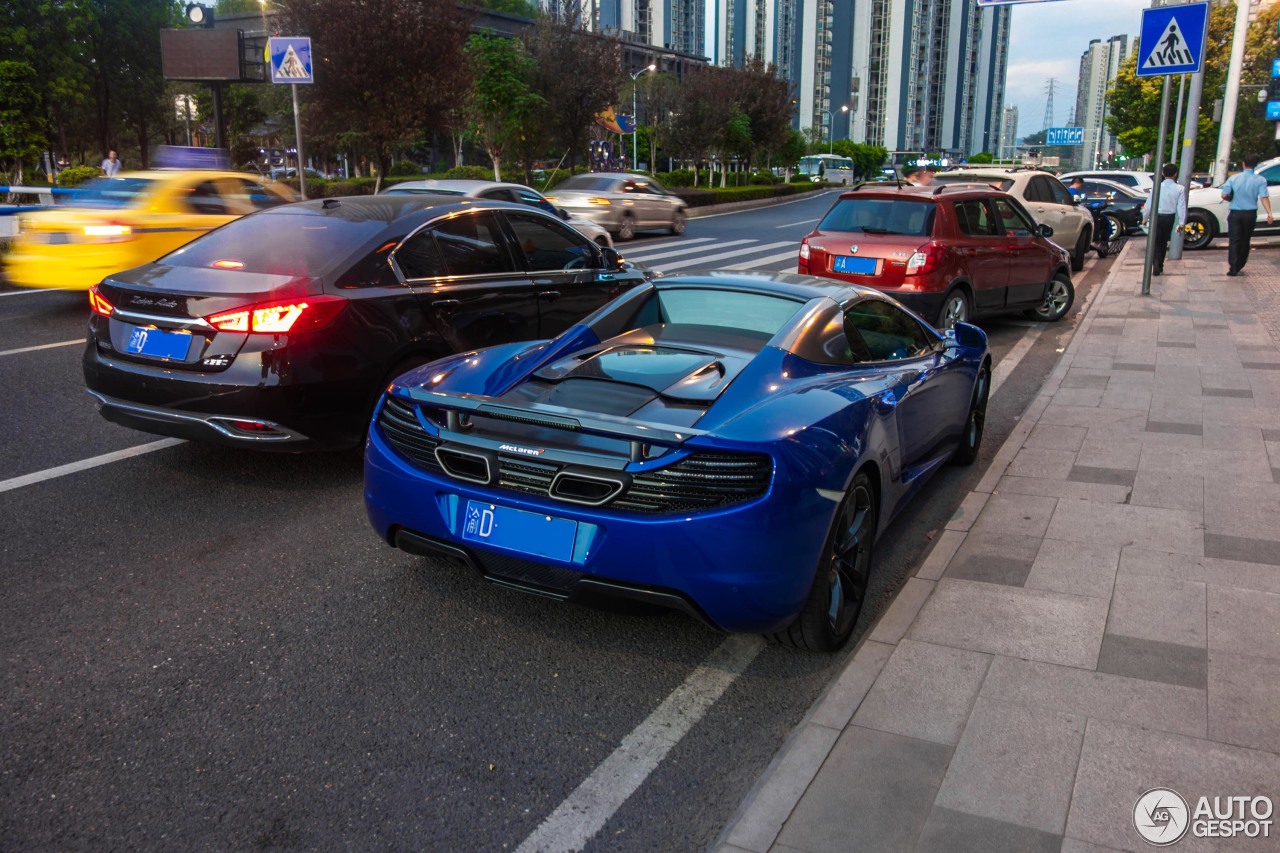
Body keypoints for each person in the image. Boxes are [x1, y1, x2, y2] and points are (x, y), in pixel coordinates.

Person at [1220, 153, 1274, 276]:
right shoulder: (1260, 180)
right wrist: (1269, 213)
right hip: (1250, 214)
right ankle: (1240, 264)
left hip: (1235, 214)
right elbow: (1264, 197)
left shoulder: (1233, 178)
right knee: (1245, 240)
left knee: (1234, 240)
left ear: (1243, 164)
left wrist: (1230, 198)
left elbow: (1224, 195)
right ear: (1255, 165)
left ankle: (1233, 267)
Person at [1141, 163, 1186, 276]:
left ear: (1162, 173)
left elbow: (1148, 205)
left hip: (1156, 217)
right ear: (1176, 174)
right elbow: (1181, 207)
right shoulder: (1180, 189)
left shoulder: (1157, 187)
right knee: (1163, 242)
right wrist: (1181, 222)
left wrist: (1144, 218)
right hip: (1169, 217)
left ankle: (1155, 262)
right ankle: (1159, 264)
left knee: (1155, 241)